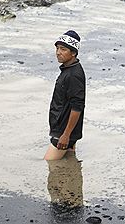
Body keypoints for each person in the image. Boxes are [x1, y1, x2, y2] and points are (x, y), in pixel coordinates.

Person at [44, 30, 86, 161]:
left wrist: (66, 135)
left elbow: (77, 107)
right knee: (69, 164)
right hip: (65, 129)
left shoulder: (74, 75)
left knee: (49, 164)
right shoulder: (68, 70)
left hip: (63, 130)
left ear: (73, 53)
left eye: (63, 49)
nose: (58, 52)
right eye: (57, 48)